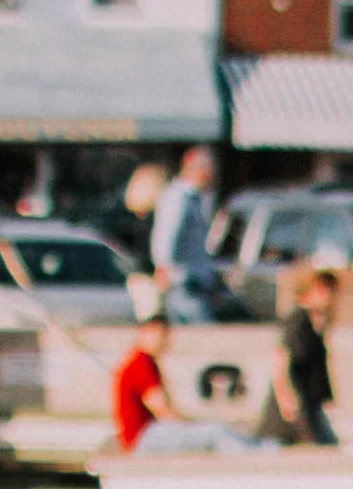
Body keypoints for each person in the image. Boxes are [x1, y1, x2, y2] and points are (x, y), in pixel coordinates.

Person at [111, 312, 257, 454]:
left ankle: (254, 448)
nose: (163, 341)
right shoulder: (140, 364)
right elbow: (162, 410)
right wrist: (189, 427)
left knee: (211, 430)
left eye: (165, 336)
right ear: (143, 333)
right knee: (214, 432)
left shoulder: (141, 361)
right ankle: (253, 454)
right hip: (144, 438)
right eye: (159, 335)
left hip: (145, 435)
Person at [252, 263, 339, 446]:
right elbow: (280, 359)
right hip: (292, 413)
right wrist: (286, 398)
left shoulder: (313, 325)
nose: (329, 296)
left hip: (309, 407)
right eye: (322, 289)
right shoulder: (298, 321)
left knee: (327, 448)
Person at [149, 146, 224, 323]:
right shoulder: (179, 197)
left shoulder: (195, 198)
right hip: (184, 283)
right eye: (209, 170)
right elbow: (166, 235)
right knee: (203, 333)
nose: (212, 176)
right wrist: (163, 267)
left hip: (194, 283)